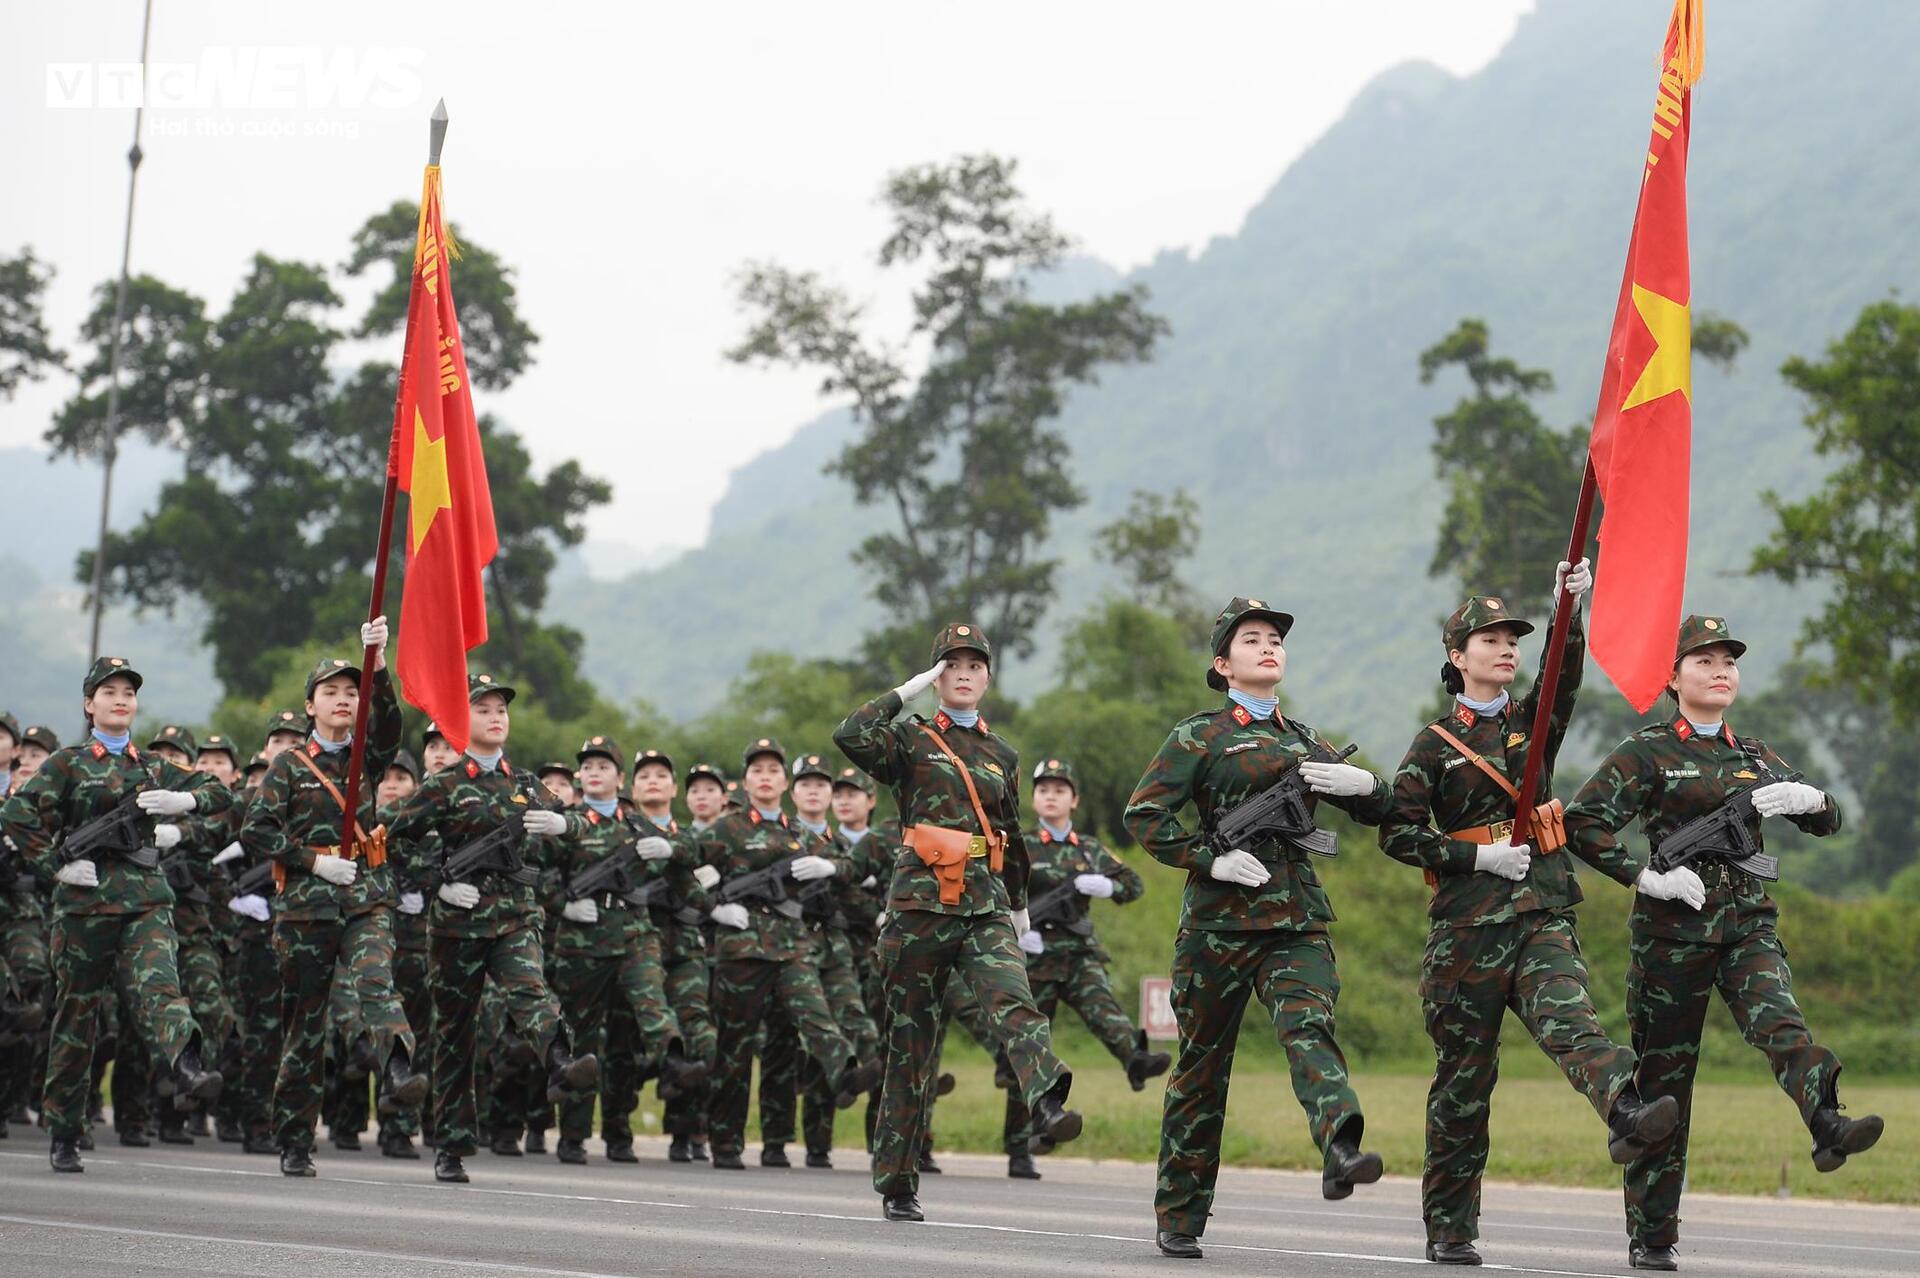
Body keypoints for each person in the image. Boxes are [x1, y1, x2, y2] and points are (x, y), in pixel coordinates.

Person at [1378, 563, 1688, 1265]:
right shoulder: (1433, 745)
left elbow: (1561, 678)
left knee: (1572, 1023)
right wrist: (1475, 858)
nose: (1505, 649)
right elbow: (1397, 833)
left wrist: (1566, 609)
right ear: (1457, 657)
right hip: (1466, 931)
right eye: (1489, 640)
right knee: (1464, 1083)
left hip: (1542, 911)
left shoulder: (1531, 723)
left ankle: (1626, 1111)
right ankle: (1450, 1228)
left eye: (1512, 639)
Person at [1565, 615, 1882, 1272]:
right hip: (1670, 937)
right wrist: (1643, 876)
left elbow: (1827, 820)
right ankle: (1653, 1235)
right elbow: (1583, 823)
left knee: (1781, 1024)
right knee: (1665, 1085)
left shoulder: (1755, 756)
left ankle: (1827, 1122)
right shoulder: (1647, 751)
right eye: (1704, 661)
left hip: (1746, 924)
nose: (1720, 672)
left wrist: (1812, 799)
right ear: (1673, 677)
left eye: (1728, 662)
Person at [1125, 598, 1391, 1260]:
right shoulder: (1200, 736)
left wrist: (1364, 785)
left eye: (1275, 638)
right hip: (1216, 925)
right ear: (1223, 664)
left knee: (1308, 1027)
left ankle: (1341, 1145)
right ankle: (1180, 1214)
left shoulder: (1304, 739)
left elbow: (1381, 811)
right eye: (1252, 639)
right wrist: (1209, 858)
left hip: (1295, 919)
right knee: (1201, 1068)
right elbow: (1145, 815)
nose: (1269, 646)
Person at [836, 623, 1082, 1223]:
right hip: (919, 906)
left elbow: (1010, 833)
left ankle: (1046, 1102)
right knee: (911, 1050)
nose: (964, 674)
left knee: (1015, 1003)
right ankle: (898, 1183)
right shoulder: (909, 740)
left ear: (988, 677)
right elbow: (850, 734)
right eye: (952, 665)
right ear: (937, 676)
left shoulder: (1003, 754)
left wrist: (1018, 904)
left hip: (983, 903)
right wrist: (907, 691)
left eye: (974, 665)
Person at [0, 656, 230, 1173]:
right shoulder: (68, 763)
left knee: (160, 986)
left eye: (128, 692)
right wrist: (55, 866)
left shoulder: (152, 766)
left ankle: (188, 1063)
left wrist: (182, 801)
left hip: (146, 898)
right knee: (77, 1018)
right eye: (109, 692)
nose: (121, 699)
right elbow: (15, 813)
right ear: (90, 704)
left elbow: (220, 792)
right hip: (85, 906)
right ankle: (65, 1130)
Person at [387, 673, 599, 1184]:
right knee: (455, 1035)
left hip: (515, 917)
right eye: (482, 709)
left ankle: (562, 1060)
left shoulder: (524, 784)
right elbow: (394, 841)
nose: (495, 717)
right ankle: (452, 1146)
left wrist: (563, 823)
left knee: (530, 990)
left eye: (501, 709)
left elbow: (587, 824)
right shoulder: (443, 785)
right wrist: (437, 883)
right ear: (461, 720)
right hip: (456, 926)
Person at [244, 621, 426, 1176]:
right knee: (306, 1026)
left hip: (365, 897)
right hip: (306, 905)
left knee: (376, 982)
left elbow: (390, 722)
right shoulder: (288, 766)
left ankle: (398, 1068)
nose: (343, 699)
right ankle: (295, 1139)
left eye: (351, 692)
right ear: (311, 706)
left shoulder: (367, 758)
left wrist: (379, 663)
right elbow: (256, 830)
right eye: (331, 692)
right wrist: (311, 860)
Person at [703, 737, 872, 1170]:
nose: (765, 777)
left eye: (773, 771)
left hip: (792, 946)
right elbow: (685, 871)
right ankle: (726, 1142)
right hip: (741, 949)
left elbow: (850, 867)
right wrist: (714, 907)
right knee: (735, 1049)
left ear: (784, 784)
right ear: (745, 782)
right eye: (756, 771)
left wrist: (830, 867)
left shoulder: (800, 833)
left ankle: (844, 1075)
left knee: (811, 1020)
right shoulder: (725, 830)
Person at [1004, 758, 1168, 1180]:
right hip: (1034, 957)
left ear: (1074, 799)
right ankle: (1023, 1145)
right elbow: (997, 891)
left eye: (1060, 790)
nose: (1051, 796)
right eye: (1043, 790)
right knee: (1033, 1050)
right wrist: (1017, 931)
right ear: (1034, 799)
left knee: (1104, 1008)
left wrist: (1109, 885)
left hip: (1077, 953)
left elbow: (1133, 884)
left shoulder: (1089, 848)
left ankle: (1135, 1059)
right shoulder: (1021, 845)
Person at [548, 735, 708, 1165]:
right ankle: (573, 1135)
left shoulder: (637, 824)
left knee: (648, 1009)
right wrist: (563, 903)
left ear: (620, 779)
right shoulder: (566, 823)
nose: (594, 772)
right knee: (582, 1040)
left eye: (604, 767)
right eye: (588, 766)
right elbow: (536, 873)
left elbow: (691, 849)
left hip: (635, 934)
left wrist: (671, 847)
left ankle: (663, 1075)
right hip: (582, 944)